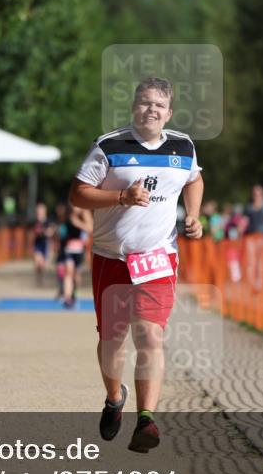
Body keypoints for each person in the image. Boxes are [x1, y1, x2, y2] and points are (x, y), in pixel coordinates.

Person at [69, 76, 204, 453]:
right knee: (112, 341)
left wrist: (194, 214)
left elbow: (194, 179)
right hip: (111, 257)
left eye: (159, 105)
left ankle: (146, 420)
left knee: (150, 336)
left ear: (169, 113)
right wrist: (120, 197)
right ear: (133, 107)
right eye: (145, 102)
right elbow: (78, 194)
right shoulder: (109, 146)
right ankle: (115, 398)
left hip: (158, 258)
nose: (151, 110)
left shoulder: (183, 146)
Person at [59, 205, 92, 309]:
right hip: (68, 249)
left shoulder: (85, 214)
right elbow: (61, 227)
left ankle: (74, 294)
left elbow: (90, 228)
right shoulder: (67, 213)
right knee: (68, 272)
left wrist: (78, 223)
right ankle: (67, 298)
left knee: (76, 275)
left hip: (79, 249)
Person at [29, 202, 54, 286]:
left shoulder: (48, 221)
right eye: (38, 210)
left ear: (44, 211)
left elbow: (51, 232)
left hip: (45, 244)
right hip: (37, 244)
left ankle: (41, 277)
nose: (39, 212)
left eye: (41, 210)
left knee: (43, 265)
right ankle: (38, 277)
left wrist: (44, 232)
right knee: (37, 263)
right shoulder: (34, 221)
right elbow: (31, 233)